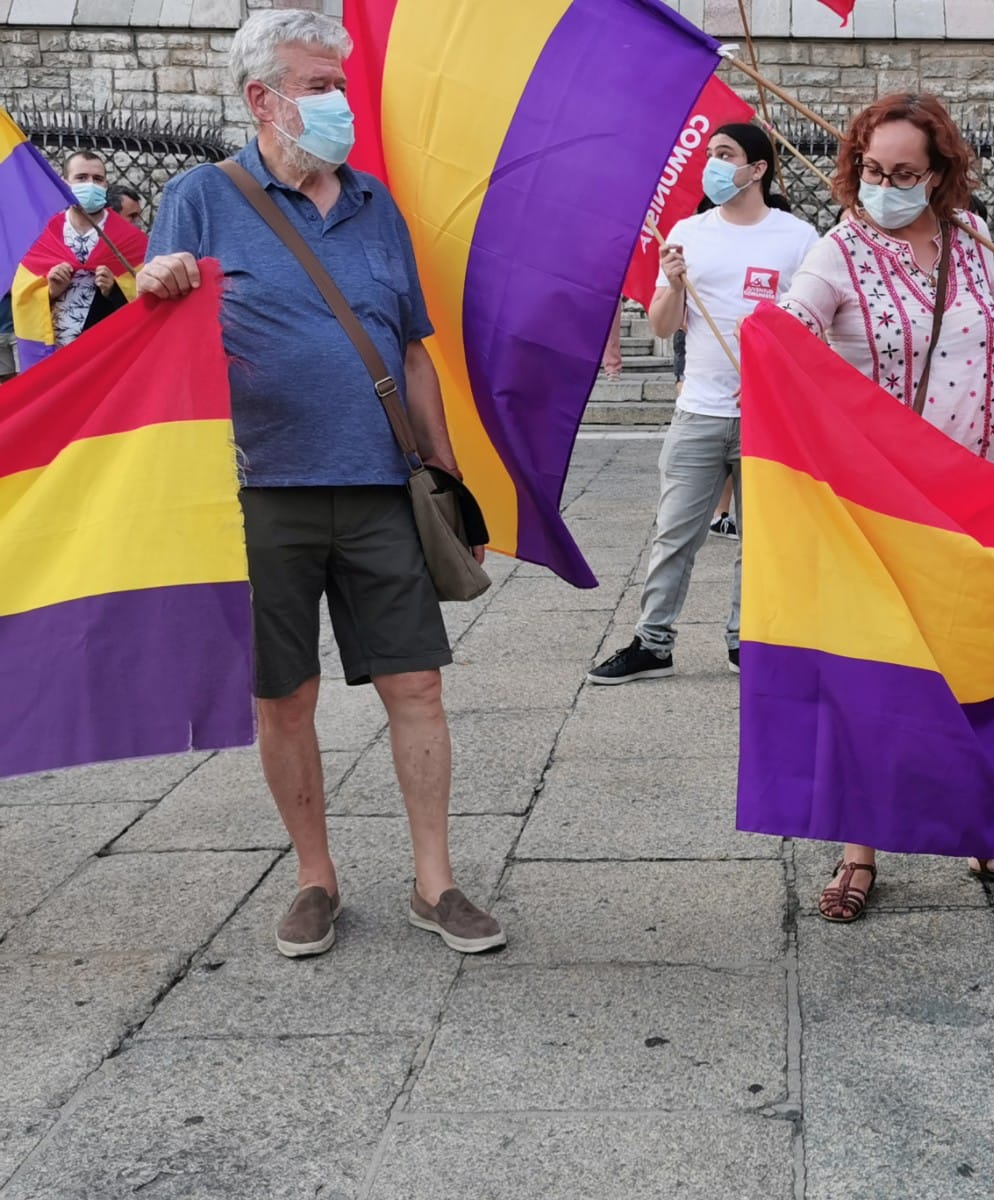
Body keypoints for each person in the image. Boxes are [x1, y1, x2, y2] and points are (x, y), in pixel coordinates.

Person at [137, 9, 503, 959]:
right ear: (262, 99)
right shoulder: (200, 199)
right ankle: (314, 877)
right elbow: (153, 331)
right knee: (283, 697)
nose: (338, 100)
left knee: (417, 685)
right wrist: (157, 280)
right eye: (316, 84)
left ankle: (437, 882)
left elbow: (413, 353)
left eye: (338, 82)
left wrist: (448, 479)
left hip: (383, 488)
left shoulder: (376, 204)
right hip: (262, 494)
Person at [776, 92, 994, 920]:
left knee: (976, 664)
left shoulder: (974, 241)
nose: (884, 185)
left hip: (975, 494)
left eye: (904, 173)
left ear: (940, 174)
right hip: (876, 510)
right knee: (868, 676)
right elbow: (795, 329)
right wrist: (770, 334)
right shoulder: (835, 252)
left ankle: (988, 833)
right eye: (873, 170)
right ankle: (857, 850)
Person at [588, 123, 817, 684]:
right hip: (698, 410)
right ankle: (653, 641)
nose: (712, 164)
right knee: (674, 533)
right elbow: (667, 327)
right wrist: (673, 283)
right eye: (710, 154)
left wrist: (774, 371)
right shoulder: (688, 231)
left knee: (760, 537)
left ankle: (748, 639)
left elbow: (812, 325)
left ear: (757, 168)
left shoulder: (797, 237)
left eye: (725, 154)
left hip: (769, 414)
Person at [9, 149, 147, 368]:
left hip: (105, 355)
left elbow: (146, 300)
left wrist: (114, 290)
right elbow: (21, 295)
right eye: (81, 178)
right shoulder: (42, 234)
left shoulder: (130, 240)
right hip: (53, 355)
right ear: (65, 184)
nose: (90, 184)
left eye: (98, 179)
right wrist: (50, 291)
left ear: (105, 185)